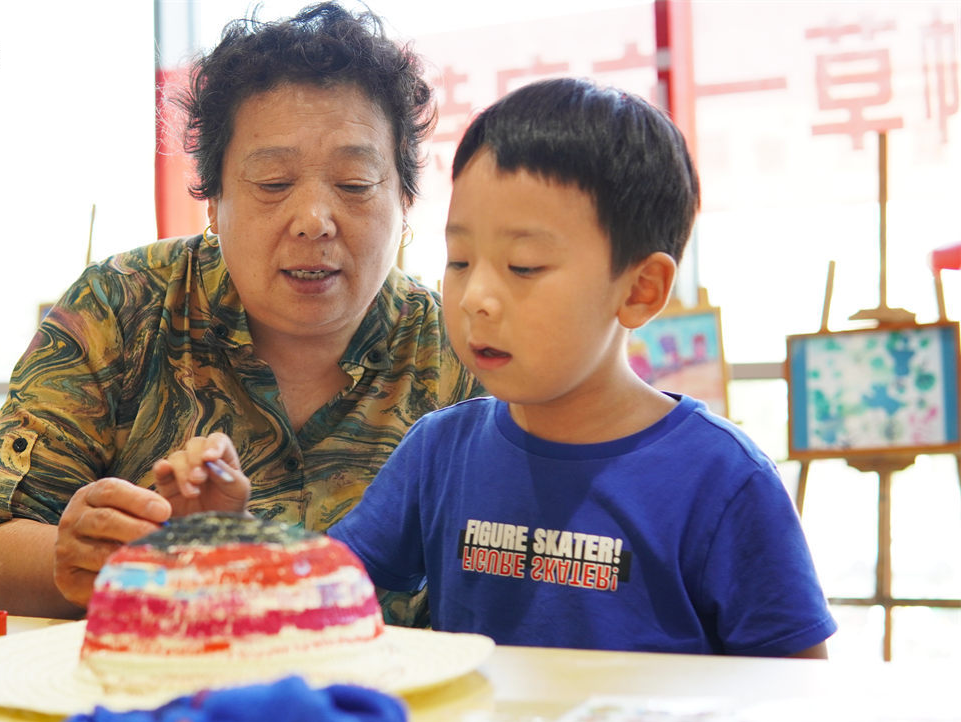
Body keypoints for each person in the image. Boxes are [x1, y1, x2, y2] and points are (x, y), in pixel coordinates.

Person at [157, 77, 838, 658]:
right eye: (459, 261)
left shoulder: (722, 482)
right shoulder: (440, 452)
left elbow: (796, 692)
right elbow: (322, 586)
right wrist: (224, 531)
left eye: (524, 267)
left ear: (639, 290)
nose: (476, 297)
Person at [0, 2, 482, 620]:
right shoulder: (121, 308)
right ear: (213, 200)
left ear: (405, 201)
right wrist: (97, 563)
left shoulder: (462, 347)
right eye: (273, 183)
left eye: (355, 184)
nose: (313, 221)